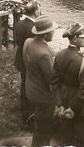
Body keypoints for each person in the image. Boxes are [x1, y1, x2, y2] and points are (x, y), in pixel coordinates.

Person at [53, 22, 84, 146]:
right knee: (81, 137)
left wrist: (60, 104)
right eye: (83, 37)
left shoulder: (59, 55)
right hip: (80, 105)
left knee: (66, 136)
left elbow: (54, 83)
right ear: (74, 39)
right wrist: (72, 108)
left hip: (64, 98)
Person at [23, 15, 56, 147]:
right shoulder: (44, 55)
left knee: (39, 120)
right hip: (43, 96)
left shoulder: (28, 42)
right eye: (52, 31)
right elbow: (52, 79)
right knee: (45, 127)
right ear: (46, 34)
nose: (54, 32)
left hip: (30, 88)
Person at [14, 1, 40, 123]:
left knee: (24, 82)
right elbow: (34, 46)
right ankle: (29, 112)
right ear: (35, 11)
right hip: (29, 59)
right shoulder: (33, 28)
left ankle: (23, 108)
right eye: (39, 10)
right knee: (30, 85)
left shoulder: (19, 23)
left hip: (20, 57)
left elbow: (15, 40)